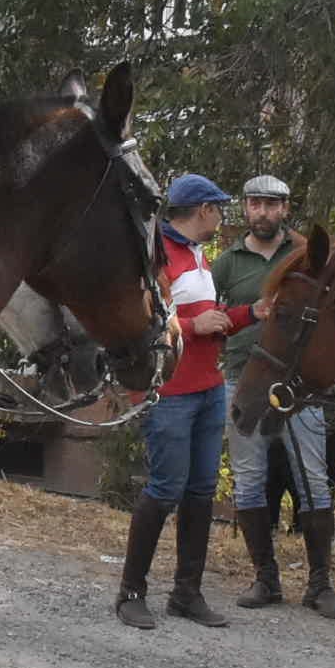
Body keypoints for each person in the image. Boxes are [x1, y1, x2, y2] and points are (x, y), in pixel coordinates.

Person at [212, 173, 335, 619]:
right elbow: (213, 315)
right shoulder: (228, 263)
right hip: (241, 377)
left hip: (299, 384)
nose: (263, 212)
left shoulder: (307, 256)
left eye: (272, 204)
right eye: (255, 204)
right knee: (250, 478)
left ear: (286, 209)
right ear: (246, 209)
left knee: (312, 478)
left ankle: (320, 584)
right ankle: (265, 578)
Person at [116, 174, 236, 629]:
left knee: (202, 491)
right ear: (203, 210)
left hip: (209, 386)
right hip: (170, 391)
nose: (222, 216)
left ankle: (187, 594)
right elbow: (140, 324)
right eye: (219, 208)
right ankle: (130, 593)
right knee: (165, 489)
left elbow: (205, 322)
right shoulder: (158, 257)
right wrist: (190, 327)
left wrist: (249, 315)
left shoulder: (200, 257)